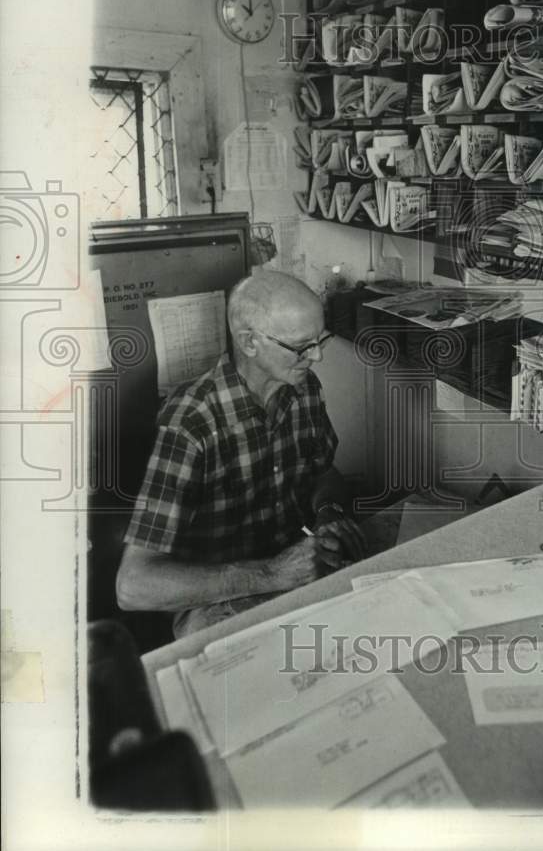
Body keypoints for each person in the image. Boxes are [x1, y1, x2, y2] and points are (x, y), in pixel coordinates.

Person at [116, 270, 366, 639]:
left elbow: (323, 473)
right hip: (219, 601)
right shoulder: (190, 423)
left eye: (319, 340)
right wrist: (270, 574)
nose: (317, 357)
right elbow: (133, 586)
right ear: (250, 343)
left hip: (297, 569)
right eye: (301, 347)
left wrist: (328, 511)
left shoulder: (304, 388)